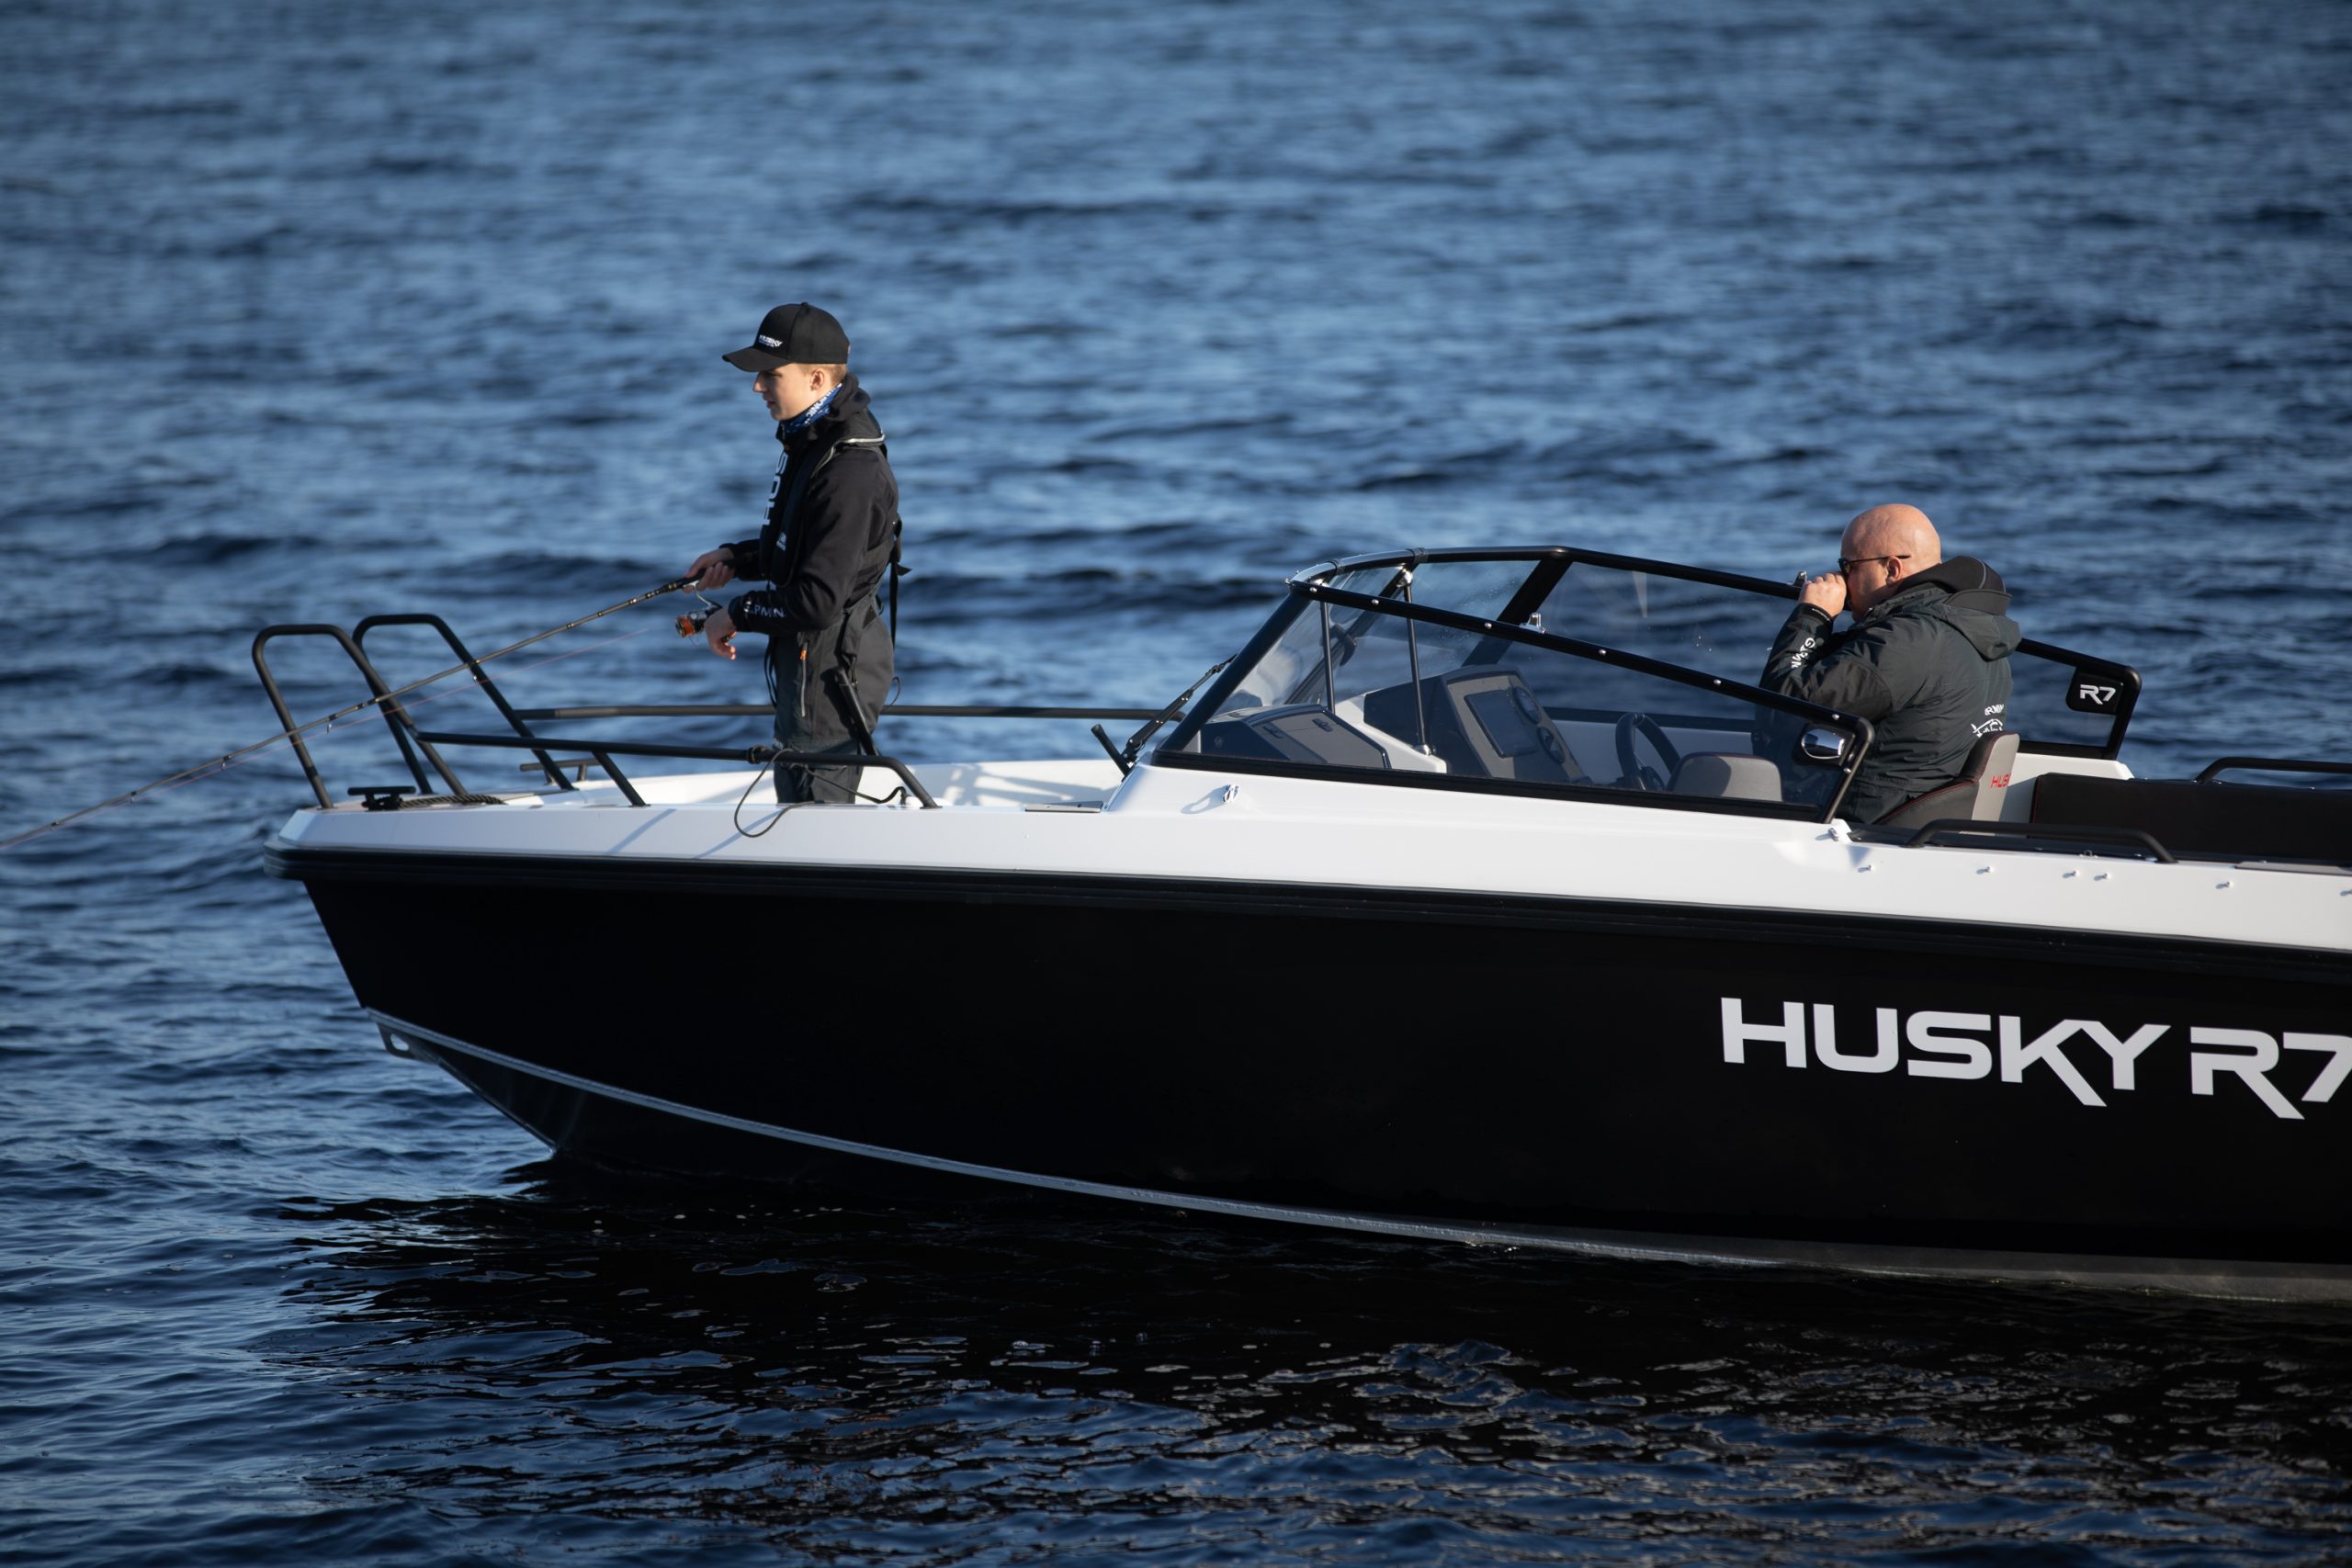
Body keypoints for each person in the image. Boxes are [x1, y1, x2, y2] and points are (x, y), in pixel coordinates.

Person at [686, 303, 900, 803]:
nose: (757, 387)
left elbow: (817, 601)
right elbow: (802, 545)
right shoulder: (812, 438)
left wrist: (735, 614)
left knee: (815, 819)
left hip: (829, 678)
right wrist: (736, 558)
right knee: (797, 805)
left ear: (817, 378)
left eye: (771, 375)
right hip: (808, 668)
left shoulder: (849, 471)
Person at [1758, 503, 2019, 822]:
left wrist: (1813, 616)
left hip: (1862, 827)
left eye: (1848, 566)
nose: (1842, 578)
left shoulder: (1907, 640)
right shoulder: (1970, 626)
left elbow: (1783, 707)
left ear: (1892, 569)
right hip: (1918, 817)